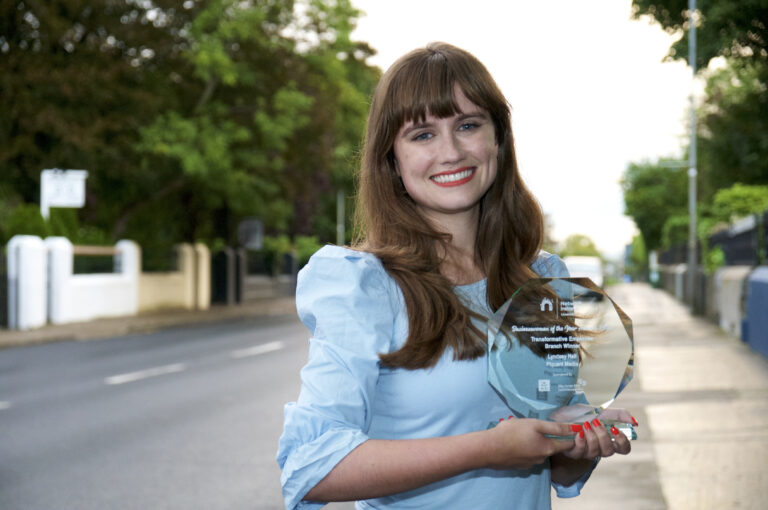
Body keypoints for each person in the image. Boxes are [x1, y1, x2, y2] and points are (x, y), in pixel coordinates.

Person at [277, 42, 634, 510]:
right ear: (392, 159)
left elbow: (552, 470)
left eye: (468, 125)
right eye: (422, 134)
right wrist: (487, 449)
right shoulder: (363, 284)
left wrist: (576, 442)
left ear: (498, 139)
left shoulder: (543, 276)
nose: (450, 152)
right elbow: (309, 467)